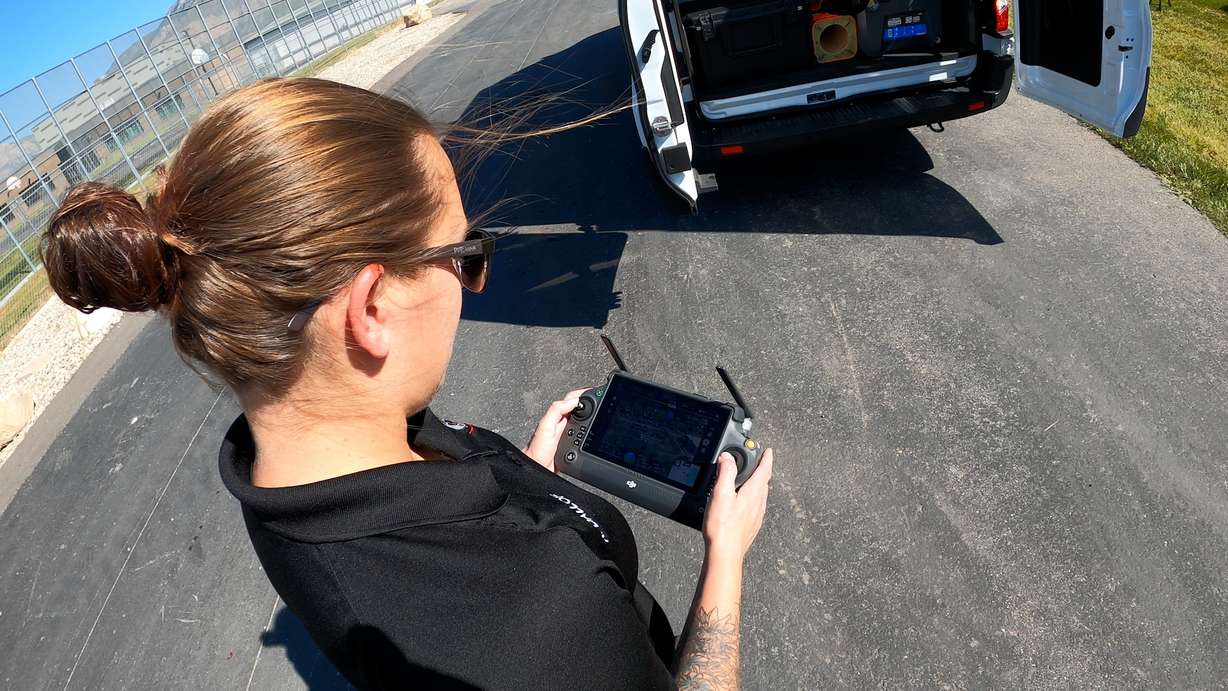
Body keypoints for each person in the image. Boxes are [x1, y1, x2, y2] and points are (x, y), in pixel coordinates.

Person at [40, 77, 774, 690]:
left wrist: (527, 477)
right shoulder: (544, 620)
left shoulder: (279, 480)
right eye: (465, 253)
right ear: (371, 307)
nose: (475, 284)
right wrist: (726, 559)